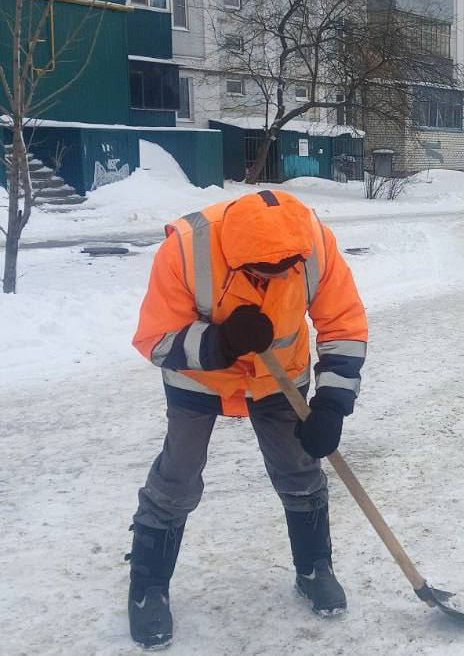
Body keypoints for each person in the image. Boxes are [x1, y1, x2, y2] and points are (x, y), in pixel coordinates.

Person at [126, 190, 368, 650]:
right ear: (235, 260)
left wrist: (333, 403)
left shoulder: (314, 243)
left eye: (285, 272)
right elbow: (155, 339)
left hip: (280, 378)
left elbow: (344, 324)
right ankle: (147, 589)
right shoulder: (183, 248)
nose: (275, 280)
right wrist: (220, 342)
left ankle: (315, 568)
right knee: (176, 479)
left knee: (300, 469)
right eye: (261, 273)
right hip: (199, 380)